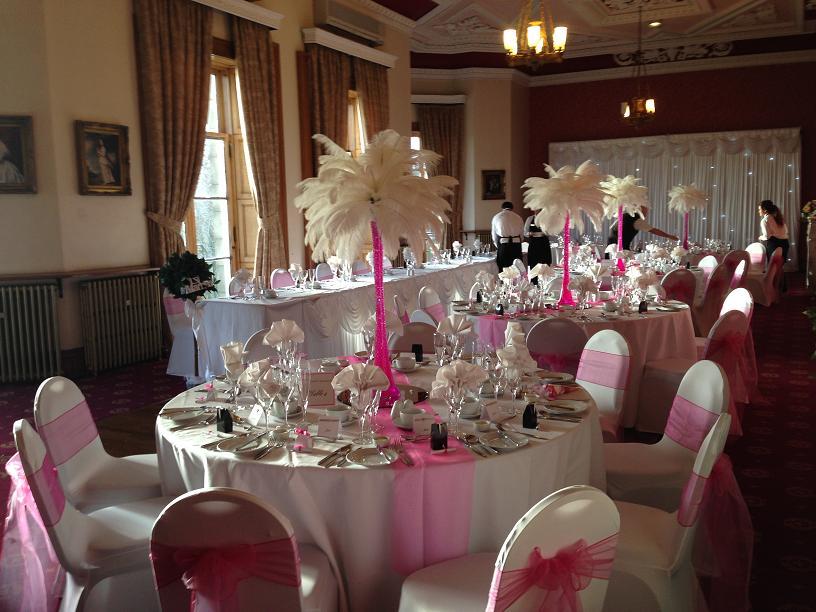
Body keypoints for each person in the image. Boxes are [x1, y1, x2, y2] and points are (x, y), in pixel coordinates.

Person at [607, 205, 678, 251]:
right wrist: (669, 236)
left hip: (611, 245)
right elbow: (654, 230)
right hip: (620, 248)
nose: (646, 213)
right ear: (640, 211)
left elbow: (612, 227)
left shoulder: (625, 215)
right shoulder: (637, 220)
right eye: (645, 211)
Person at [491, 201, 524, 271]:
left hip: (504, 245)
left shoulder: (497, 217)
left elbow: (494, 235)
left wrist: (498, 245)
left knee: (504, 267)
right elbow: (521, 233)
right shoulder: (518, 217)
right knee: (517, 266)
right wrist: (520, 242)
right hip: (516, 245)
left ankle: (504, 281)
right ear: (512, 208)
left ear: (502, 208)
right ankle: (518, 282)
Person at [523, 214, 551, 280]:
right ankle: (534, 283)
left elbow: (550, 232)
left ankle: (545, 281)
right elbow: (525, 232)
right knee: (534, 264)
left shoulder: (547, 218)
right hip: (534, 244)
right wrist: (530, 233)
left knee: (545, 263)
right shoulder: (530, 218)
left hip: (544, 244)